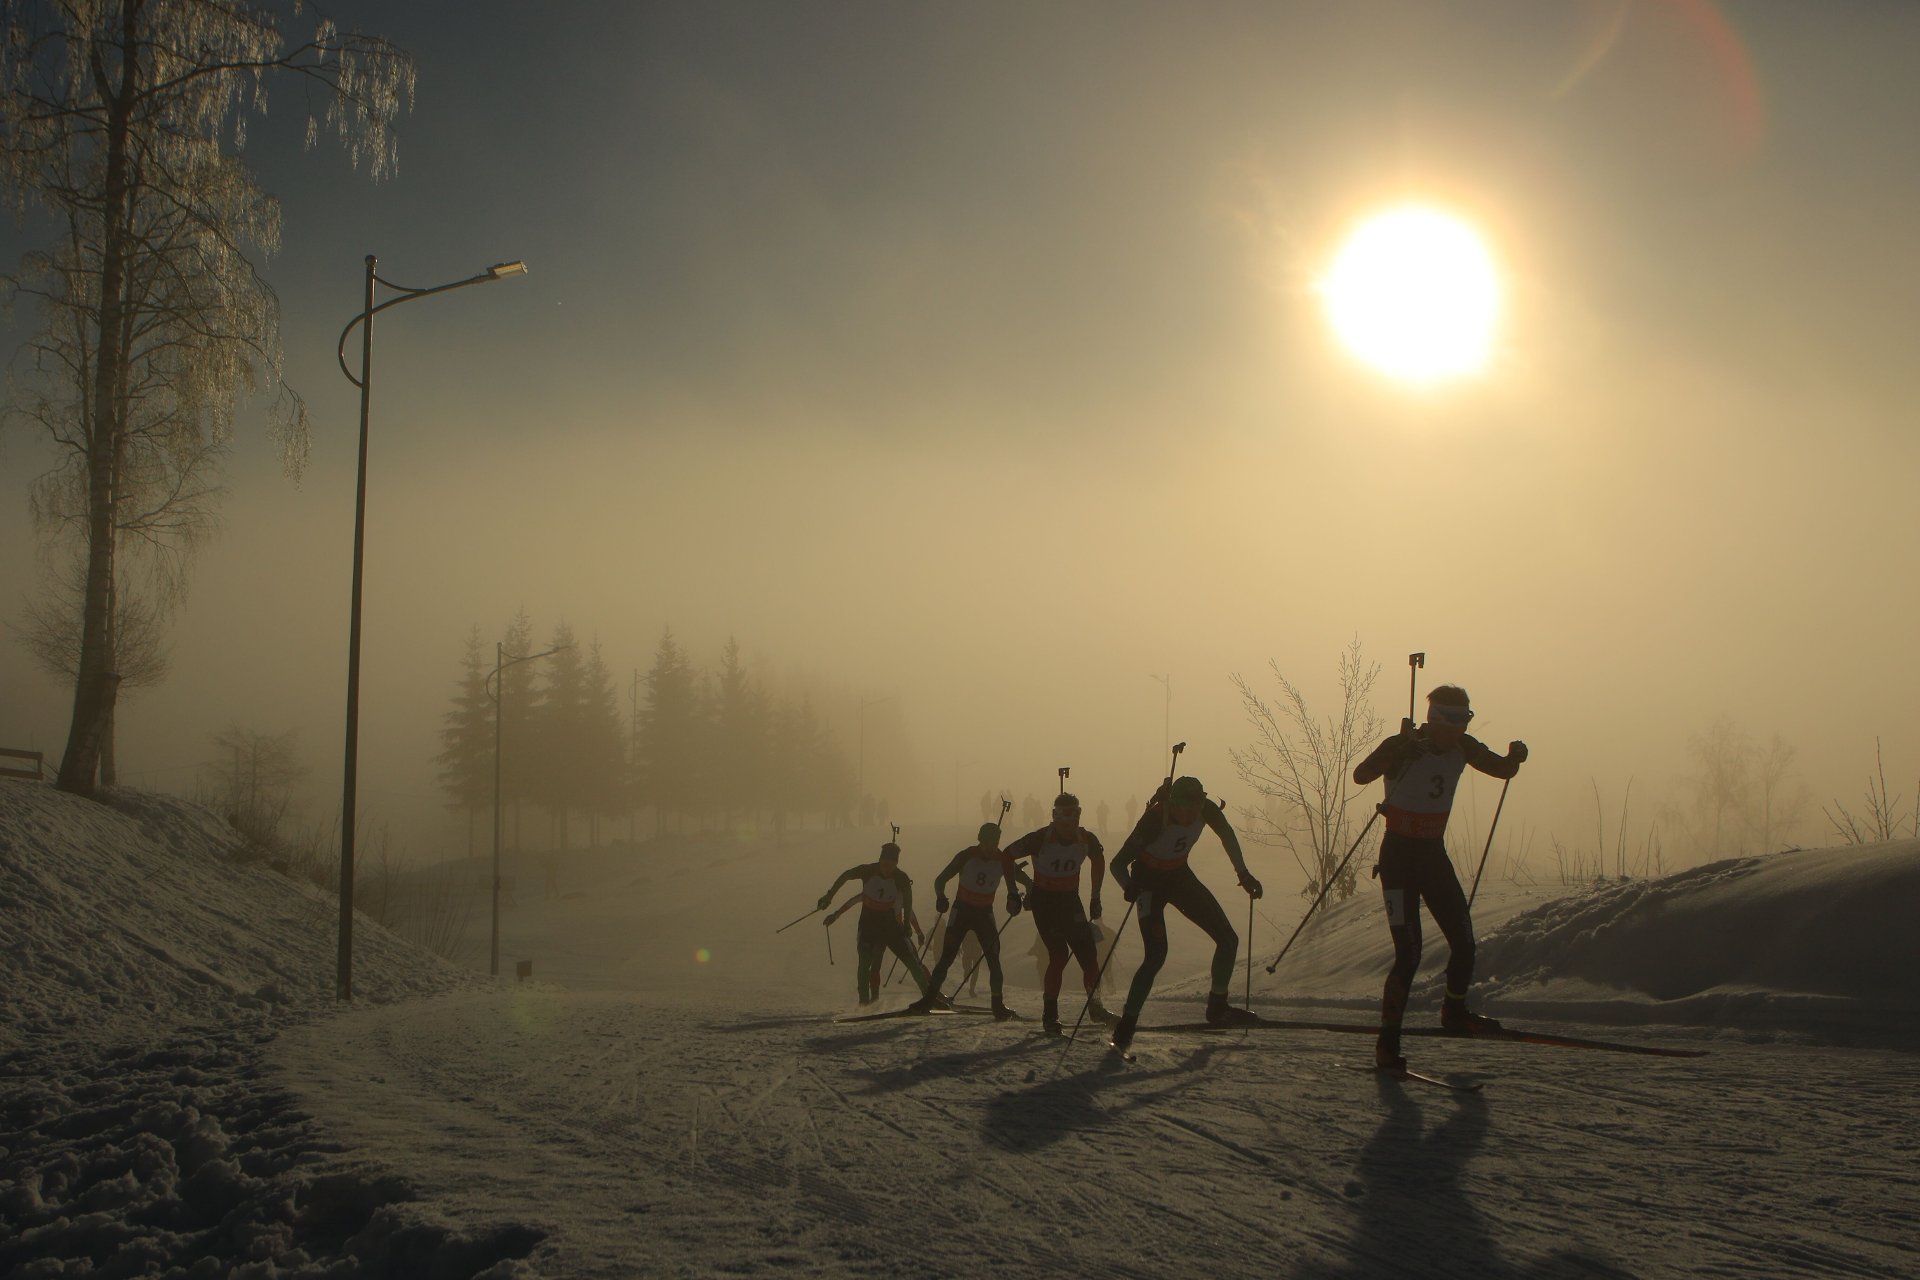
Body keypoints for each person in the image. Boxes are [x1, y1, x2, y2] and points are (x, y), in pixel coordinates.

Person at [1352, 683, 1528, 1069]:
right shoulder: (1404, 745)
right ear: (1433, 720)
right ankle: (1387, 1045)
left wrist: (1515, 757)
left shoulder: (1464, 746)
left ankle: (1454, 1012)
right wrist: (1397, 751)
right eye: (1451, 721)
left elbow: (1500, 769)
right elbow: (1360, 775)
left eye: (1464, 720)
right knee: (1409, 955)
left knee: (1464, 942)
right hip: (1398, 858)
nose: (1457, 730)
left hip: (1432, 856)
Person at [1107, 776, 1264, 1051]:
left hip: (1179, 877)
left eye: (1197, 806)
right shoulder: (1154, 820)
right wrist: (1128, 886)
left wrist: (1244, 874)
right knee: (1156, 955)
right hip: (1148, 883)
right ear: (1173, 804)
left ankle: (1218, 1007)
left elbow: (1227, 835)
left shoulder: (1207, 809)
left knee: (1228, 939)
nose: (1192, 815)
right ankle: (1127, 1023)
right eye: (1186, 808)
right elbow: (1117, 864)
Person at [1001, 792, 1115, 1034]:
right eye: (1063, 823)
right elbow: (1006, 854)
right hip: (1045, 902)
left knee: (1089, 956)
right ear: (1054, 819)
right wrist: (1013, 891)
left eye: (1072, 823)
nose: (1068, 828)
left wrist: (1096, 897)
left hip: (1070, 900)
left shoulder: (1086, 838)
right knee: (1059, 955)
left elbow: (1099, 860)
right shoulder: (1040, 837)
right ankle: (1049, 1015)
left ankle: (1096, 1008)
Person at [907, 823, 1034, 1019]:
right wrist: (940, 896)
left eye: (994, 843)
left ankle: (998, 1005)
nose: (990, 848)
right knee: (947, 958)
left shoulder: (1002, 859)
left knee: (993, 959)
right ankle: (929, 999)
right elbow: (940, 879)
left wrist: (1028, 894)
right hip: (962, 911)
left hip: (984, 913)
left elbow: (1026, 881)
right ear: (980, 840)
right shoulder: (966, 855)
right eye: (986, 843)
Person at [816, 841, 931, 1004]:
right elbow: (846, 875)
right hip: (868, 923)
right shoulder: (868, 870)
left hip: (890, 925)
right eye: (884, 864)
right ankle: (864, 1001)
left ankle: (928, 997)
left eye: (890, 866)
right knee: (864, 964)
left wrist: (906, 925)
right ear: (879, 860)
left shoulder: (901, 878)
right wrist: (829, 897)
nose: (886, 869)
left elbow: (908, 902)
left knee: (912, 962)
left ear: (896, 864)